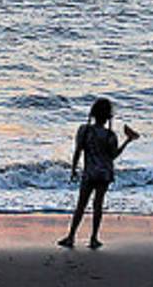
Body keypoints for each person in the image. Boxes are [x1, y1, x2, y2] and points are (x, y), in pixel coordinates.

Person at [58, 97, 139, 250]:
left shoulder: (84, 130)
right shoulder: (110, 135)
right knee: (98, 205)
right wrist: (127, 141)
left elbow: (78, 151)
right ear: (108, 116)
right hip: (105, 174)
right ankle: (94, 238)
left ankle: (71, 236)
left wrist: (74, 169)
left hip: (89, 173)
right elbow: (113, 156)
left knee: (81, 205)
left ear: (93, 114)